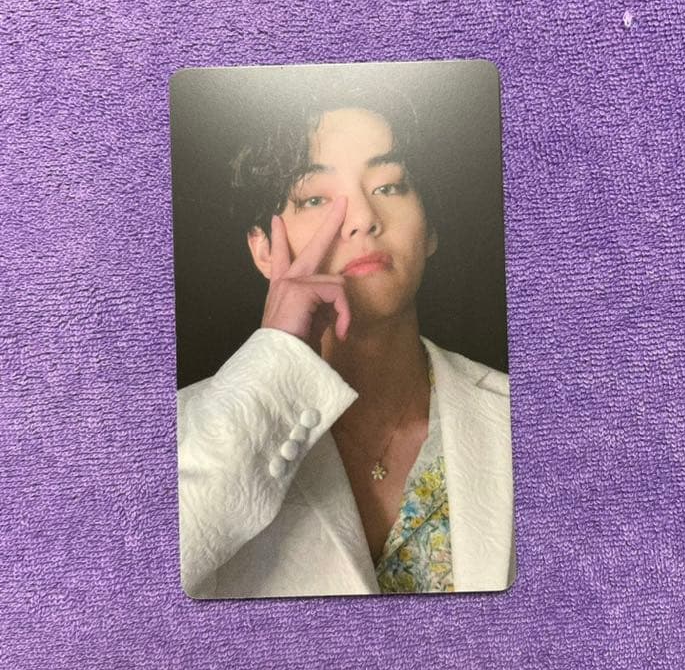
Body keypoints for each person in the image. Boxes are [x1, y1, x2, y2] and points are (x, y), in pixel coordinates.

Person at [177, 79, 515, 598]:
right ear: (263, 249)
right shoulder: (182, 429)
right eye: (315, 198)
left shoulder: (516, 415)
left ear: (429, 228)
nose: (361, 219)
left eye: (389, 186)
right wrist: (274, 361)